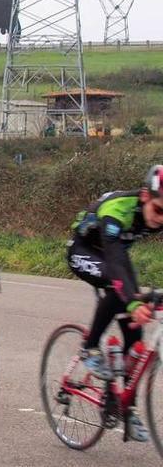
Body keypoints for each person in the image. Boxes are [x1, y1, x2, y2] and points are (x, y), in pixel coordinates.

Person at [67, 164, 163, 442]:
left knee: (135, 339)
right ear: (145, 197)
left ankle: (124, 406)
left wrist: (136, 302)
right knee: (119, 290)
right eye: (157, 210)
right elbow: (114, 259)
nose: (160, 219)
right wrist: (132, 300)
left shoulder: (157, 210)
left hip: (116, 257)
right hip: (84, 251)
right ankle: (89, 347)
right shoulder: (118, 209)